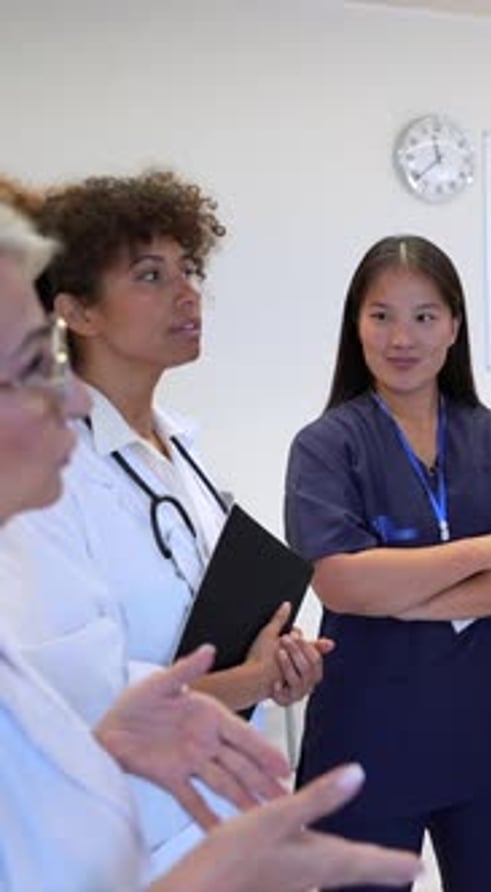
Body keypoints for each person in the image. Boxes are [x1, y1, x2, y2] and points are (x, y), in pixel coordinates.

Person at [0, 201, 423, 891]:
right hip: (128, 843)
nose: (187, 294)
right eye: (151, 275)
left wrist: (276, 659)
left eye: (188, 270)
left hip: (212, 818)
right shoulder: (46, 480)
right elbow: (69, 706)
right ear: (76, 312)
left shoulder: (183, 451)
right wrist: (248, 680)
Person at [285, 233, 491, 892]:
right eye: (381, 316)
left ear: (454, 327)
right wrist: (487, 552)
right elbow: (340, 582)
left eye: (424, 316)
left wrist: (395, 591)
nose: (402, 338)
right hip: (368, 743)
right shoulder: (327, 447)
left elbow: (366, 584)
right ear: (357, 325)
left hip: (486, 739)